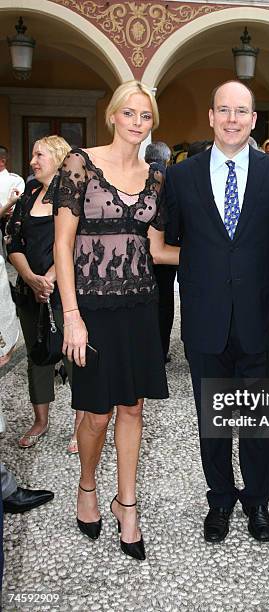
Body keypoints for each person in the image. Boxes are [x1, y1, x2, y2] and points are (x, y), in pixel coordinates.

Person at [53, 80, 178, 561]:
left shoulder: (156, 176)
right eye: (129, 113)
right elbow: (64, 245)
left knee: (132, 409)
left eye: (145, 116)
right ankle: (87, 485)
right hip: (90, 308)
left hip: (139, 306)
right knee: (97, 413)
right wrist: (71, 316)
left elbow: (156, 248)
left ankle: (127, 504)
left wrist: (223, 257)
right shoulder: (80, 164)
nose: (137, 122)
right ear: (112, 116)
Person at [164, 80, 269, 544]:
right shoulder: (181, 177)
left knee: (259, 423)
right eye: (224, 110)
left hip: (262, 321)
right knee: (212, 422)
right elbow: (172, 241)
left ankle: (257, 500)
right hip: (206, 320)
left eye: (242, 111)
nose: (233, 119)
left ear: (254, 120)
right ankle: (219, 499)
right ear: (212, 117)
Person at [5, 136, 81, 451]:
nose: (33, 161)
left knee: (75, 357)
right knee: (38, 357)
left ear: (59, 158)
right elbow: (13, 241)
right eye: (33, 154)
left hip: (66, 293)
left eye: (40, 155)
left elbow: (79, 243)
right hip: (29, 292)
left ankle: (81, 425)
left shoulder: (73, 196)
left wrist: (49, 278)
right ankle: (41, 420)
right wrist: (30, 278)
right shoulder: (27, 197)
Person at [1, 250, 53, 589]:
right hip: (30, 285)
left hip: (56, 285)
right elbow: (13, 239)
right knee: (40, 354)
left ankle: (3, 486)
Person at [145, 141, 176, 363]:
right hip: (167, 246)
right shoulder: (172, 177)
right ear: (168, 158)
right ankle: (160, 350)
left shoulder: (137, 174)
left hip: (140, 249)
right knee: (164, 300)